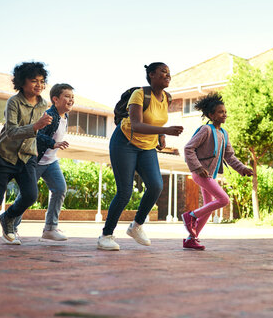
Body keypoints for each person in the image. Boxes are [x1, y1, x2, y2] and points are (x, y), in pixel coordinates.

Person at [97, 62, 183, 251]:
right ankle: (106, 236)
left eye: (169, 73)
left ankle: (136, 226)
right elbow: (136, 124)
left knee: (156, 185)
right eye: (163, 72)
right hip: (124, 142)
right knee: (125, 191)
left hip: (147, 146)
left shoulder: (166, 98)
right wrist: (166, 130)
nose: (168, 75)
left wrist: (160, 136)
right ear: (152, 74)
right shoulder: (140, 94)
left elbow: (156, 119)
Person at [0, 62, 52, 250]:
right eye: (34, 81)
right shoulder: (13, 102)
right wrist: (36, 126)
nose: (39, 85)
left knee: (31, 195)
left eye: (41, 81)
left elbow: (37, 131)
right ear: (22, 83)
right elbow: (12, 132)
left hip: (27, 156)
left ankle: (8, 217)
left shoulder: (43, 104)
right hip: (4, 155)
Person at [181, 92, 253, 250]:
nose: (224, 114)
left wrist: (242, 169)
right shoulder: (206, 130)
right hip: (200, 173)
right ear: (211, 115)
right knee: (224, 200)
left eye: (225, 111)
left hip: (210, 175)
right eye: (221, 112)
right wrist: (198, 167)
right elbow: (188, 148)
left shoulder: (224, 134)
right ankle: (190, 216)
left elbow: (230, 157)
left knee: (208, 207)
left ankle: (191, 239)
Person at [11, 83, 74, 243]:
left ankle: (50, 229)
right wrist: (53, 143)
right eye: (67, 96)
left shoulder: (65, 116)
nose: (71, 100)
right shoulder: (48, 115)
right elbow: (36, 134)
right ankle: (10, 226)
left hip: (51, 161)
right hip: (35, 160)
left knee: (60, 189)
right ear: (55, 99)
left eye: (72, 97)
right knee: (27, 195)